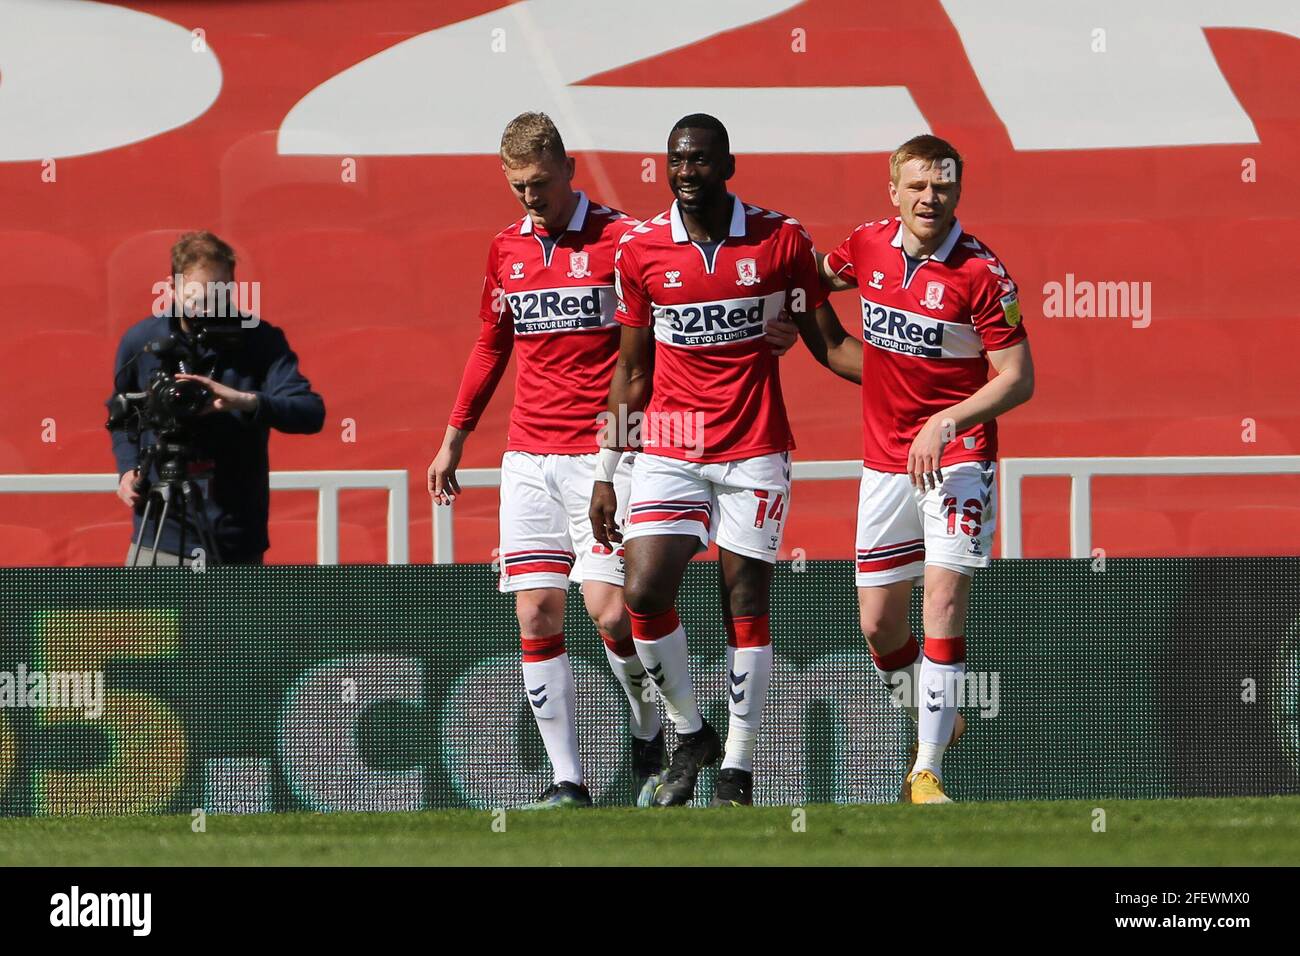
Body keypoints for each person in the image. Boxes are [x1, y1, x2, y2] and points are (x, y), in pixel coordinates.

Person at [430, 113, 801, 809]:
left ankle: (651, 718)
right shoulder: (506, 250)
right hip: (526, 455)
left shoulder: (626, 241)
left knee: (611, 612)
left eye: (540, 182)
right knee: (537, 611)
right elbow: (490, 345)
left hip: (611, 450)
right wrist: (455, 435)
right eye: (518, 187)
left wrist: (774, 325)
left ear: (569, 168)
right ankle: (569, 781)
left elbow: (686, 308)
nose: (530, 198)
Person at [589, 114, 860, 807]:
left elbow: (828, 341)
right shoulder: (642, 250)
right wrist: (606, 468)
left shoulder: (780, 240)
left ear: (728, 164)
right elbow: (631, 372)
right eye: (677, 160)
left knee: (745, 600)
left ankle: (737, 769)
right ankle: (692, 732)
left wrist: (907, 380)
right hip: (671, 445)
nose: (686, 172)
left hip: (754, 447)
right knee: (643, 592)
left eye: (700, 160)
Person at [818, 134, 1035, 804]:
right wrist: (783, 321)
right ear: (894, 191)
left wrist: (950, 421)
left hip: (957, 458)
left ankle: (927, 770)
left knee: (942, 599)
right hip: (884, 460)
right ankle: (939, 720)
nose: (928, 197)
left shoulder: (983, 276)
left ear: (957, 192)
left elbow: (1018, 378)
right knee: (879, 623)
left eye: (940, 186)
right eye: (916, 185)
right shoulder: (868, 246)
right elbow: (810, 282)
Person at [109, 231, 325, 565]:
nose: (207, 309)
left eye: (219, 296)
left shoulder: (258, 340)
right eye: (196, 297)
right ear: (171, 287)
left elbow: (310, 413)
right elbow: (121, 414)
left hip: (234, 532)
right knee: (152, 619)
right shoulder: (142, 341)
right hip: (161, 530)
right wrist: (126, 470)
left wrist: (245, 401)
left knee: (232, 620)